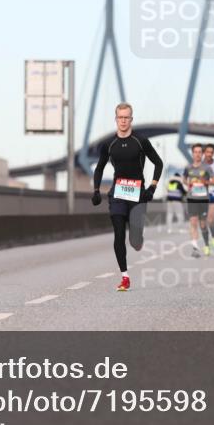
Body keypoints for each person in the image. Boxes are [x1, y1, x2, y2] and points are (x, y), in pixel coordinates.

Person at [92, 102, 163, 291]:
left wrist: (152, 188)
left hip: (138, 193)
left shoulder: (140, 141)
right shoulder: (109, 144)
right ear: (116, 119)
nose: (123, 121)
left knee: (135, 240)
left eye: (126, 117)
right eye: (120, 117)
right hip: (118, 193)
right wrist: (96, 190)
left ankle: (138, 238)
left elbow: (158, 163)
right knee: (118, 233)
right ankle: (125, 277)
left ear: (131, 119)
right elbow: (99, 167)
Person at [183, 143, 214, 258]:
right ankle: (195, 248)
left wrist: (206, 182)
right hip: (192, 198)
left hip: (203, 199)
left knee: (203, 224)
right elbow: (184, 179)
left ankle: (206, 245)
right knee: (193, 222)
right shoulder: (188, 167)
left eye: (199, 152)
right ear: (192, 154)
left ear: (202, 154)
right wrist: (188, 183)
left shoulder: (207, 167)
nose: (197, 154)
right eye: (195, 152)